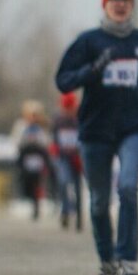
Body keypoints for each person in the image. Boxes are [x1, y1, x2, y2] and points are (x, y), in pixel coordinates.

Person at [55, 0, 138, 275]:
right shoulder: (89, 42)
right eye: (114, 0)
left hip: (134, 126)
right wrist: (92, 70)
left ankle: (127, 259)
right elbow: (63, 81)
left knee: (129, 186)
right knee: (98, 204)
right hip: (96, 130)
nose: (120, 5)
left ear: (132, 5)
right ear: (104, 5)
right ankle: (107, 261)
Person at [51, 92, 83, 231]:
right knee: (64, 182)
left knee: (77, 187)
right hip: (63, 157)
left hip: (77, 158)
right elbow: (54, 139)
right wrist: (54, 150)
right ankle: (65, 211)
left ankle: (79, 215)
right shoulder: (58, 120)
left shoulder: (79, 120)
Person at [17, 124, 51, 221]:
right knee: (30, 189)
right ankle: (34, 205)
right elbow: (20, 159)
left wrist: (45, 167)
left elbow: (46, 157)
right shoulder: (25, 148)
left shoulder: (40, 148)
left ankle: (36, 208)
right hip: (28, 171)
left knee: (36, 189)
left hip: (37, 171)